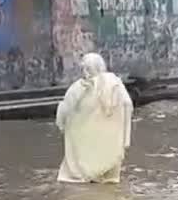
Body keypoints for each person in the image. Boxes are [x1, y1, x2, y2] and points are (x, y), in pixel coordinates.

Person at [55, 52, 134, 184]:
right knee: (108, 171)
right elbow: (127, 104)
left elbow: (64, 111)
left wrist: (62, 125)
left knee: (82, 160)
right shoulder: (114, 83)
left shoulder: (77, 88)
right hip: (108, 137)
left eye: (85, 68)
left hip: (84, 141)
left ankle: (86, 175)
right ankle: (105, 176)